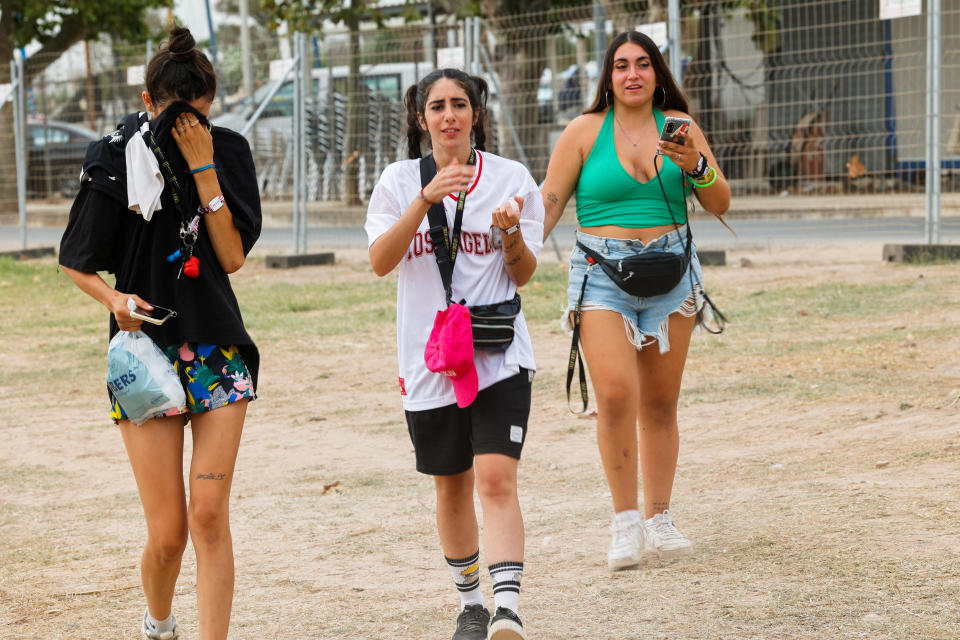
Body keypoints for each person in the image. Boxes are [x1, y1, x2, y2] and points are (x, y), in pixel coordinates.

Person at [58, 26, 261, 640]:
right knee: (169, 532)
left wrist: (204, 171)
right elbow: (75, 261)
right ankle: (159, 622)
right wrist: (115, 298)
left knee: (207, 515)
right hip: (144, 354)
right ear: (147, 101)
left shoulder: (226, 151)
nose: (182, 124)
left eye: (194, 115)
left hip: (216, 348)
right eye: (170, 112)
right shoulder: (114, 155)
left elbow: (231, 257)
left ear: (209, 106)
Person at [539, 31, 731, 571]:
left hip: (673, 272)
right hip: (601, 274)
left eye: (643, 64)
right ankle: (625, 523)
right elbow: (549, 203)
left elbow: (719, 201)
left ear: (657, 72)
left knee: (661, 402)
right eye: (621, 65)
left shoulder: (681, 128)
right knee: (618, 395)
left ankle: (659, 518)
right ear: (608, 75)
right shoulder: (583, 131)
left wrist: (694, 163)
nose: (632, 74)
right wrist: (513, 241)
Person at [365, 68, 544, 640]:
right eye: (437, 106)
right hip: (430, 360)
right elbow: (380, 260)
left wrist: (511, 236)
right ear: (422, 119)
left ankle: (508, 608)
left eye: (460, 104)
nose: (449, 115)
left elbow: (524, 274)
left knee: (495, 479)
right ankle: (470, 602)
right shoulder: (396, 182)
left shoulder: (511, 178)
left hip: (498, 354)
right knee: (450, 483)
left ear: (476, 114)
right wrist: (424, 200)